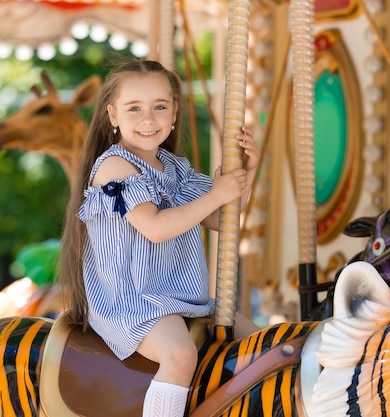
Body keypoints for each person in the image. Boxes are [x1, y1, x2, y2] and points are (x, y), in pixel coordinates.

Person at [59, 59, 258, 417]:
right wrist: (217, 193)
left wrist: (246, 173)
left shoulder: (175, 168)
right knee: (180, 354)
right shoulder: (113, 167)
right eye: (134, 108)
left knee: (263, 343)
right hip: (134, 302)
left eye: (159, 107)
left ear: (174, 112)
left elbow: (220, 219)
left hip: (183, 299)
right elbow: (156, 226)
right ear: (112, 115)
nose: (148, 119)